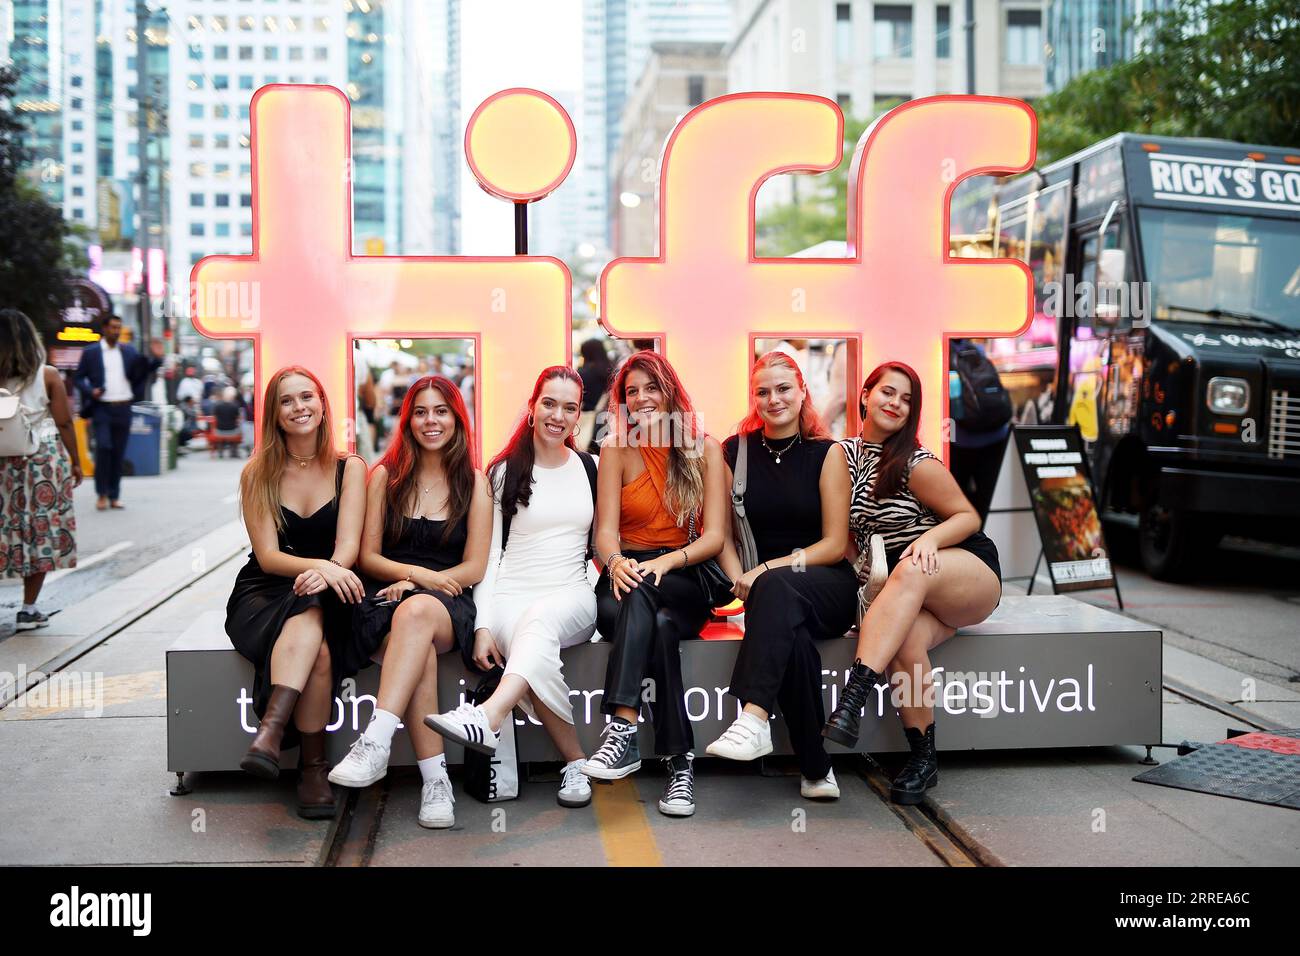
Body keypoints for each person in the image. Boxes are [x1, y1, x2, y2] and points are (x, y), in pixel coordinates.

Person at [822, 362, 1002, 804]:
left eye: (906, 400)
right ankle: (924, 758)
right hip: (908, 590)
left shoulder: (916, 464)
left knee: (912, 568)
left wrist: (929, 540)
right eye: (887, 392)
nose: (895, 404)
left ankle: (853, 698)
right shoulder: (841, 457)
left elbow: (967, 516)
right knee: (903, 644)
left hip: (965, 574)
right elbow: (845, 540)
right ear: (864, 395)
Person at [424, 366, 600, 809]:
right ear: (532, 407)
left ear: (579, 416)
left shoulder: (589, 468)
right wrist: (483, 626)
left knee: (538, 623)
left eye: (569, 407)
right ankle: (576, 762)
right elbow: (491, 560)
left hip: (572, 594)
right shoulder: (502, 472)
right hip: (508, 598)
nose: (557, 415)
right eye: (549, 403)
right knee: (531, 635)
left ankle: (488, 715)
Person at [328, 375, 492, 830]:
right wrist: (412, 576)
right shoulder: (386, 476)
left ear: (457, 419)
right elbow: (368, 557)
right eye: (420, 412)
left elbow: (474, 566)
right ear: (408, 420)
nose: (430, 420)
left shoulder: (474, 482)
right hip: (385, 598)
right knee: (414, 641)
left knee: (417, 613)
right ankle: (436, 785)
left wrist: (424, 587)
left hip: (445, 601)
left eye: (441, 411)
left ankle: (376, 740)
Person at [579, 350, 728, 818]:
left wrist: (668, 563)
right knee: (655, 620)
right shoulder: (615, 448)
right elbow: (604, 532)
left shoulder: (703, 447)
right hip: (625, 576)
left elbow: (715, 536)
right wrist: (616, 561)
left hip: (684, 574)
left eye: (651, 388)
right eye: (631, 392)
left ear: (669, 393)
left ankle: (621, 729)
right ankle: (680, 763)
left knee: (660, 605)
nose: (641, 399)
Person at [703, 351, 856, 799]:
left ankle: (752, 717)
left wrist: (767, 569)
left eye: (783, 389)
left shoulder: (827, 454)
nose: (774, 399)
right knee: (796, 644)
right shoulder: (735, 451)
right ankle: (816, 767)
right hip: (767, 595)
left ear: (803, 391)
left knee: (779, 592)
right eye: (763, 392)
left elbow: (833, 544)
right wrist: (740, 581)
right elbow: (724, 534)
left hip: (826, 583)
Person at [225, 366, 367, 819]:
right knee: (315, 639)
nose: (299, 407)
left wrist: (328, 572)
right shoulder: (257, 473)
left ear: (323, 406)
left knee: (314, 614)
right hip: (265, 591)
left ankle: (271, 734)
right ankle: (313, 768)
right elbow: (267, 556)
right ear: (275, 414)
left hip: (335, 586)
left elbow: (348, 547)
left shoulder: (351, 468)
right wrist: (318, 568)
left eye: (307, 397)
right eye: (287, 401)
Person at [0, 309, 83, 630]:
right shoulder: (47, 376)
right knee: (39, 530)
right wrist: (76, 461)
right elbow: (63, 421)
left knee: (7, 530)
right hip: (41, 462)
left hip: (3, 464)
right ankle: (28, 608)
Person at [73, 314, 163, 511]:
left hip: (123, 408)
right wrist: (91, 391)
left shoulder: (128, 351)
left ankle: (114, 495)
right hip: (101, 408)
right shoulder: (91, 352)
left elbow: (145, 369)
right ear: (104, 329)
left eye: (118, 327)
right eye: (113, 327)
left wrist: (157, 358)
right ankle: (102, 494)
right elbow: (78, 378)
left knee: (118, 452)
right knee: (104, 448)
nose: (116, 331)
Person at [948, 338, 1013, 522]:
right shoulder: (976, 349)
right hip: (996, 433)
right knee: (989, 497)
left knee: (959, 502)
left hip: (961, 438)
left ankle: (969, 540)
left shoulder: (941, 352)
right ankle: (987, 538)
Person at [212, 386, 244, 458]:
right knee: (238, 429)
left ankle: (220, 452)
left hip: (219, 430)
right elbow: (239, 419)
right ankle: (234, 452)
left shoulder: (217, 405)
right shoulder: (235, 406)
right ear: (232, 396)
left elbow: (214, 417)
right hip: (232, 431)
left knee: (223, 431)